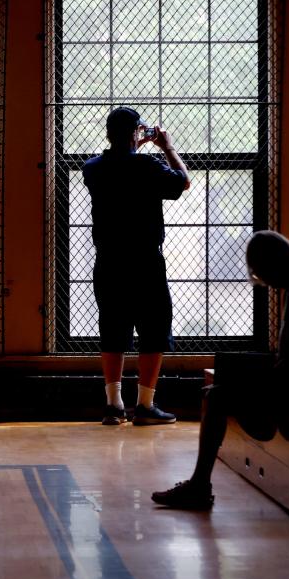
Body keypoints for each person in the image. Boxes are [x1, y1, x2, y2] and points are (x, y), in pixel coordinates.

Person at [152, 231, 289, 510]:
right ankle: (199, 484)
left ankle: (199, 486)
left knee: (217, 397)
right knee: (219, 391)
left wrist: (249, 382)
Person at [83, 107, 191, 426]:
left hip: (109, 260)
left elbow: (119, 165)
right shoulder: (148, 165)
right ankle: (145, 405)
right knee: (153, 327)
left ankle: (113, 405)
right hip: (145, 259)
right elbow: (182, 183)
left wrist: (132, 147)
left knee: (113, 327)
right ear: (135, 134)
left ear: (107, 134)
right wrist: (167, 147)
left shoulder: (93, 169)